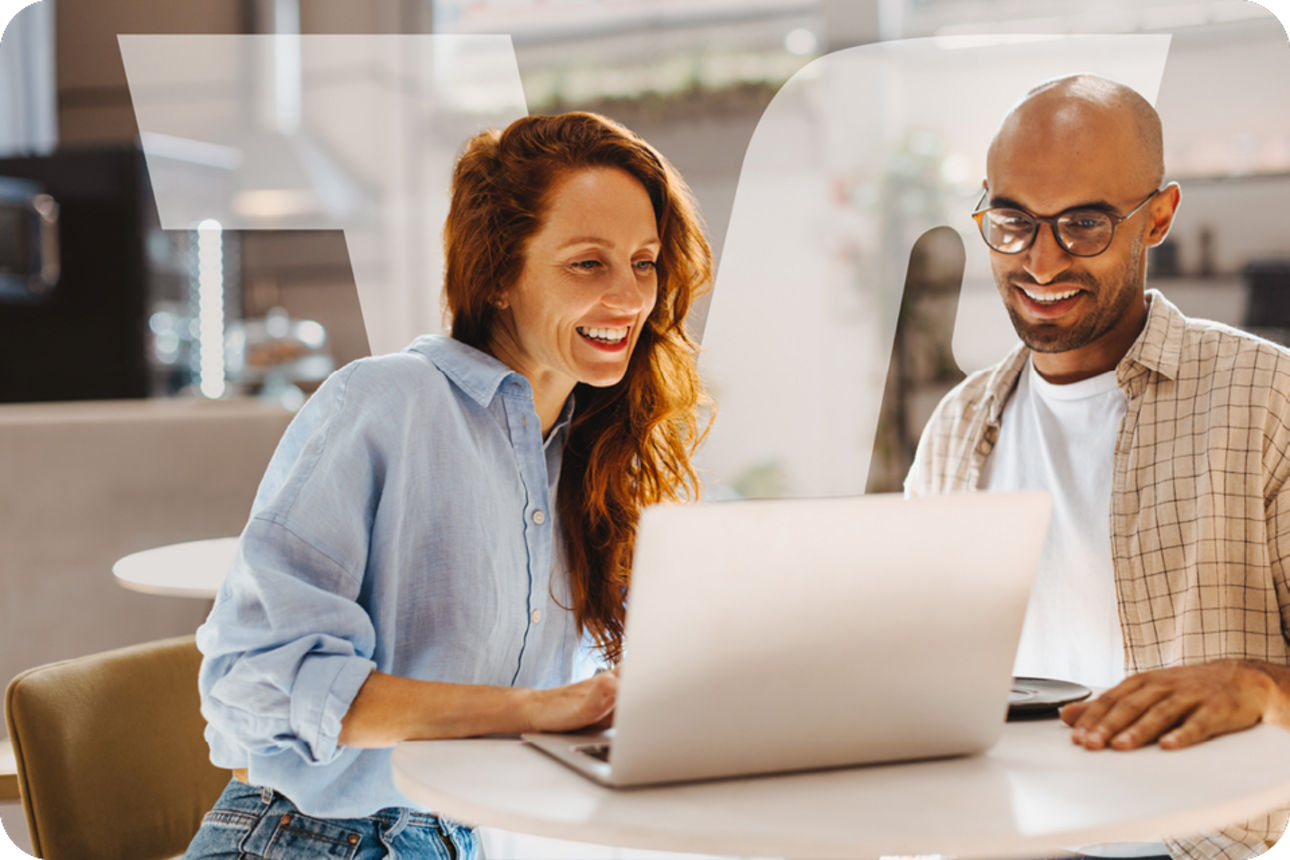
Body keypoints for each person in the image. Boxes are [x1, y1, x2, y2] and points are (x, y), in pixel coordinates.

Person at [182, 111, 713, 860]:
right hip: (308, 840)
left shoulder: (589, 460)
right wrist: (532, 710)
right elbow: (255, 680)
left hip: (466, 836)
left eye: (645, 263)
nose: (629, 298)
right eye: (588, 264)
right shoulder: (386, 402)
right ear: (499, 274)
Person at [906, 74, 1290, 859]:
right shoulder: (955, 429)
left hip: (1204, 847)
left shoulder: (1269, 404)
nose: (1041, 261)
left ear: (1158, 218)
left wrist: (1261, 687)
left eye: (1083, 223)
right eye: (1011, 221)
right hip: (1001, 840)